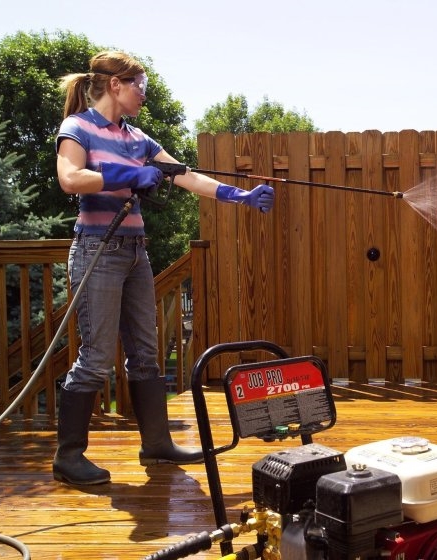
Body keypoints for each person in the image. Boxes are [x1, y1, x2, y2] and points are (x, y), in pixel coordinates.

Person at [53, 50, 274, 485]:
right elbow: (70, 179)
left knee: (147, 356)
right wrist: (127, 175)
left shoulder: (139, 138)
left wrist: (236, 196)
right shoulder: (77, 127)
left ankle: (156, 445)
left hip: (135, 251)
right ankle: (68, 457)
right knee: (95, 358)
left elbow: (184, 175)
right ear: (115, 84)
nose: (144, 95)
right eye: (140, 86)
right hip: (98, 249)